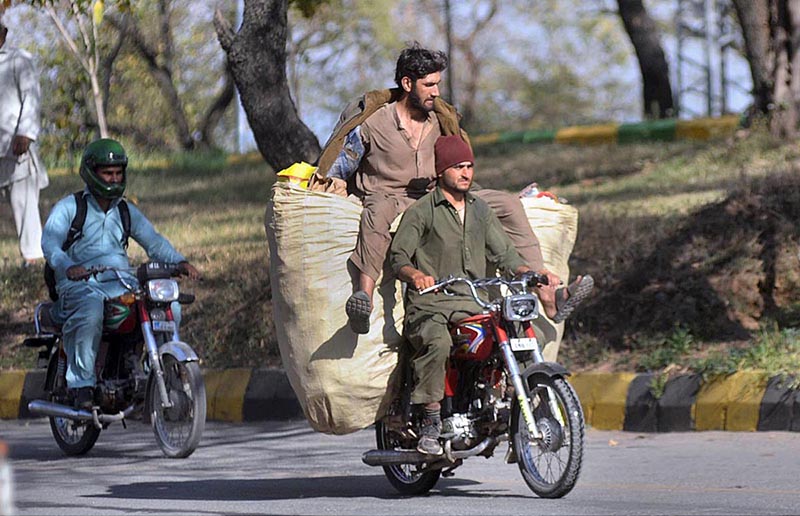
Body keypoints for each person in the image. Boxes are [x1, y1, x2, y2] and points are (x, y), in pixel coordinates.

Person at [313, 43, 581, 334]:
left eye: (437, 84)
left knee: (507, 202)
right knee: (376, 214)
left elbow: (458, 163)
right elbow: (339, 168)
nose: (436, 92)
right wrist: (332, 188)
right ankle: (362, 297)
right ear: (406, 83)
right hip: (386, 195)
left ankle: (546, 291)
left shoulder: (441, 120)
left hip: (434, 194)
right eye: (428, 85)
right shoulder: (373, 124)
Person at [389, 135, 592, 455]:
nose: (466, 173)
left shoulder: (481, 209)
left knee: (529, 332)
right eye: (458, 167)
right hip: (432, 304)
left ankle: (516, 405)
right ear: (442, 171)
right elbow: (398, 256)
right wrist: (416, 275)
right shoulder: (422, 211)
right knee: (437, 342)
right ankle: (430, 421)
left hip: (473, 300)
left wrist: (531, 275)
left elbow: (506, 255)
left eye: (469, 166)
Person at [41, 138, 200, 410]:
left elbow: (153, 241)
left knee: (167, 304)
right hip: (78, 285)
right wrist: (68, 265)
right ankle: (82, 385)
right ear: (92, 172)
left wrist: (179, 261)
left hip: (119, 282)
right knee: (91, 309)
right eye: (107, 173)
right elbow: (50, 243)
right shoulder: (71, 207)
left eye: (118, 173)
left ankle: (156, 369)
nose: (114, 179)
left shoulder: (125, 210)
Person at [0, 18, 49, 266]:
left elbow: (31, 96)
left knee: (24, 201)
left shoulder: (19, 59)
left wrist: (26, 133)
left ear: (4, 32)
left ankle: (33, 258)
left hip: (14, 145)